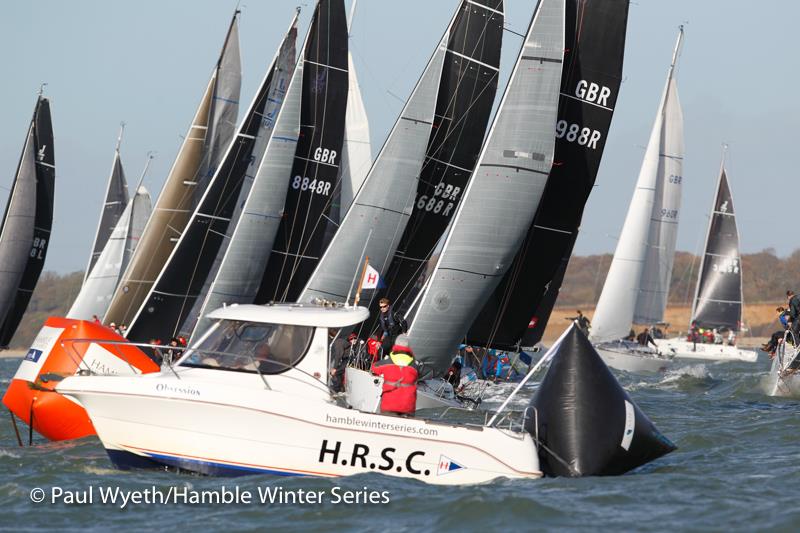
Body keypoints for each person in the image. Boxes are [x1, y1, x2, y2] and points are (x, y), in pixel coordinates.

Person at [371, 333, 419, 415]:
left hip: (389, 405)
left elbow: (374, 368)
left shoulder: (388, 362)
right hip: (407, 407)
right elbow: (419, 375)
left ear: (396, 344)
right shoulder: (414, 365)